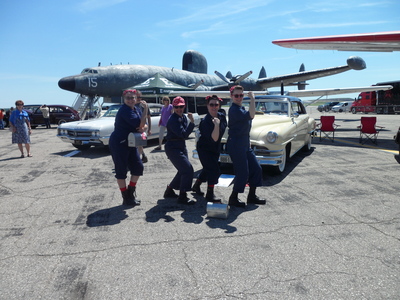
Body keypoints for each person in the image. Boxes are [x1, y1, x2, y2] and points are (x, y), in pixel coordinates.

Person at [227, 85, 266, 207]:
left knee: (256, 168)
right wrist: (253, 100)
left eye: (241, 95)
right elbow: (252, 115)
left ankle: (252, 196)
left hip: (244, 143)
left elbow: (245, 126)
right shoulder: (234, 110)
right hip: (236, 144)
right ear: (231, 96)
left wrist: (247, 140)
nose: (239, 98)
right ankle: (233, 198)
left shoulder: (241, 108)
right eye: (236, 95)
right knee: (242, 172)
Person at [109, 89, 148, 206]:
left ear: (136, 99)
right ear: (124, 99)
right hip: (119, 143)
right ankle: (126, 197)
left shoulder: (135, 109)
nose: (131, 100)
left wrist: (143, 126)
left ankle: (130, 193)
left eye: (133, 98)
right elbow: (141, 125)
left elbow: (142, 126)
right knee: (121, 171)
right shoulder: (125, 111)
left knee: (138, 167)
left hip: (131, 142)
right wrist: (145, 109)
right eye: (128, 98)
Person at [192, 95, 227, 202]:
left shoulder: (222, 116)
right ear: (207, 106)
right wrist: (216, 125)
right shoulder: (205, 121)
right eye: (211, 104)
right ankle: (210, 194)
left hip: (215, 148)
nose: (214, 107)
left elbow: (224, 128)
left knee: (208, 168)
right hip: (204, 148)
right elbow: (214, 138)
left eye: (216, 104)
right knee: (213, 170)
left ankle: (196, 185)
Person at [163, 96, 196, 205]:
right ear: (173, 107)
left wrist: (190, 122)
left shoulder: (183, 117)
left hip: (180, 145)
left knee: (183, 170)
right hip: (173, 147)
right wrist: (192, 123)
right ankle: (182, 196)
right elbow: (184, 134)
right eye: (176, 107)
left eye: (181, 106)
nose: (179, 109)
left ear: (184, 106)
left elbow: (184, 133)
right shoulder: (173, 120)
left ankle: (169, 190)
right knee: (187, 170)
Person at [135, 90, 151, 163]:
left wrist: (148, 128)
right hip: (135, 127)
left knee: (139, 143)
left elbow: (148, 117)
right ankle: (143, 156)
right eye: (137, 97)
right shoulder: (132, 105)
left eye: (140, 97)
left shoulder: (144, 105)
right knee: (139, 144)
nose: (139, 98)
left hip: (143, 127)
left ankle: (137, 160)